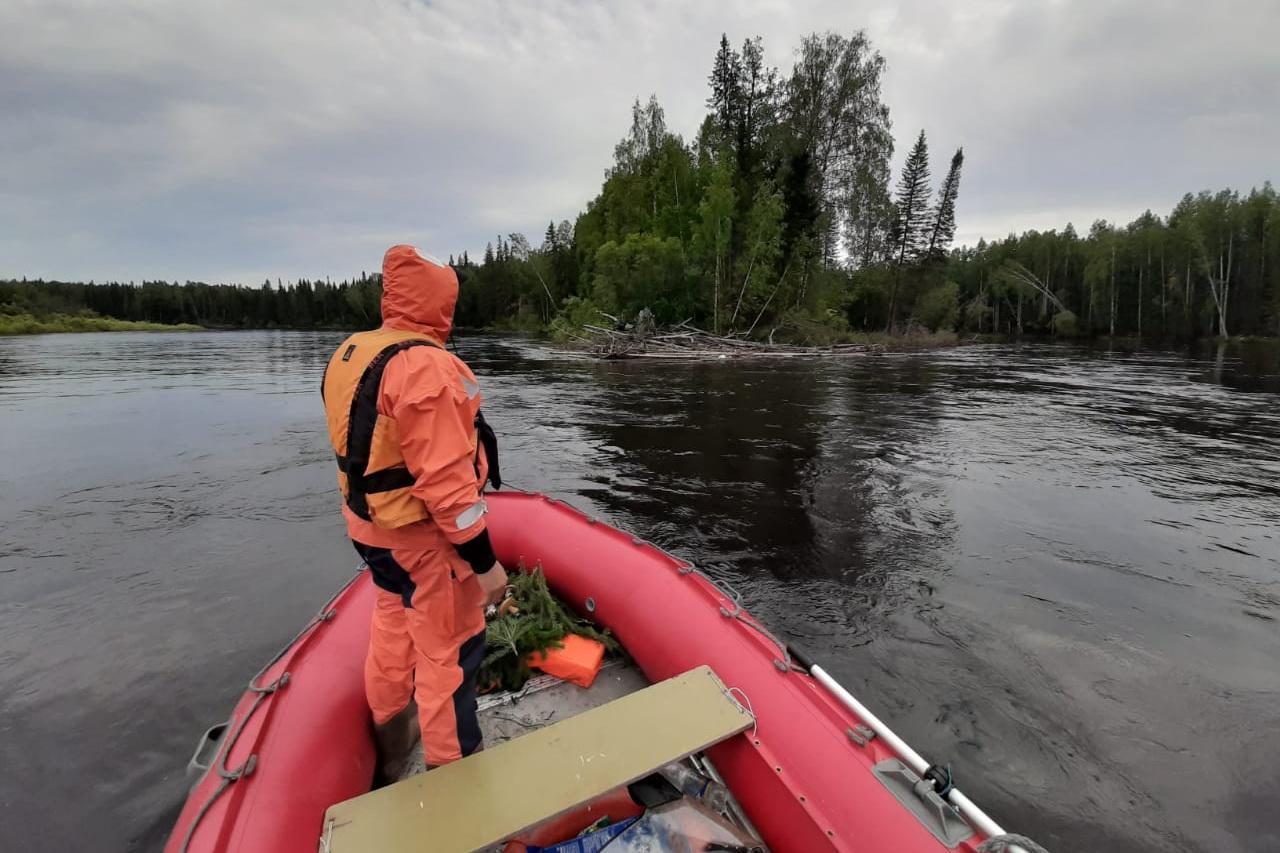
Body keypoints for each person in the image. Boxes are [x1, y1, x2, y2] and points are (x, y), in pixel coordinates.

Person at [321, 244, 506, 781]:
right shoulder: (427, 366)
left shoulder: (354, 351)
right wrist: (485, 563)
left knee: (393, 624)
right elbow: (448, 489)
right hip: (424, 543)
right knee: (450, 650)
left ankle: (389, 737)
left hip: (372, 532)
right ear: (442, 302)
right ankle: (456, 773)